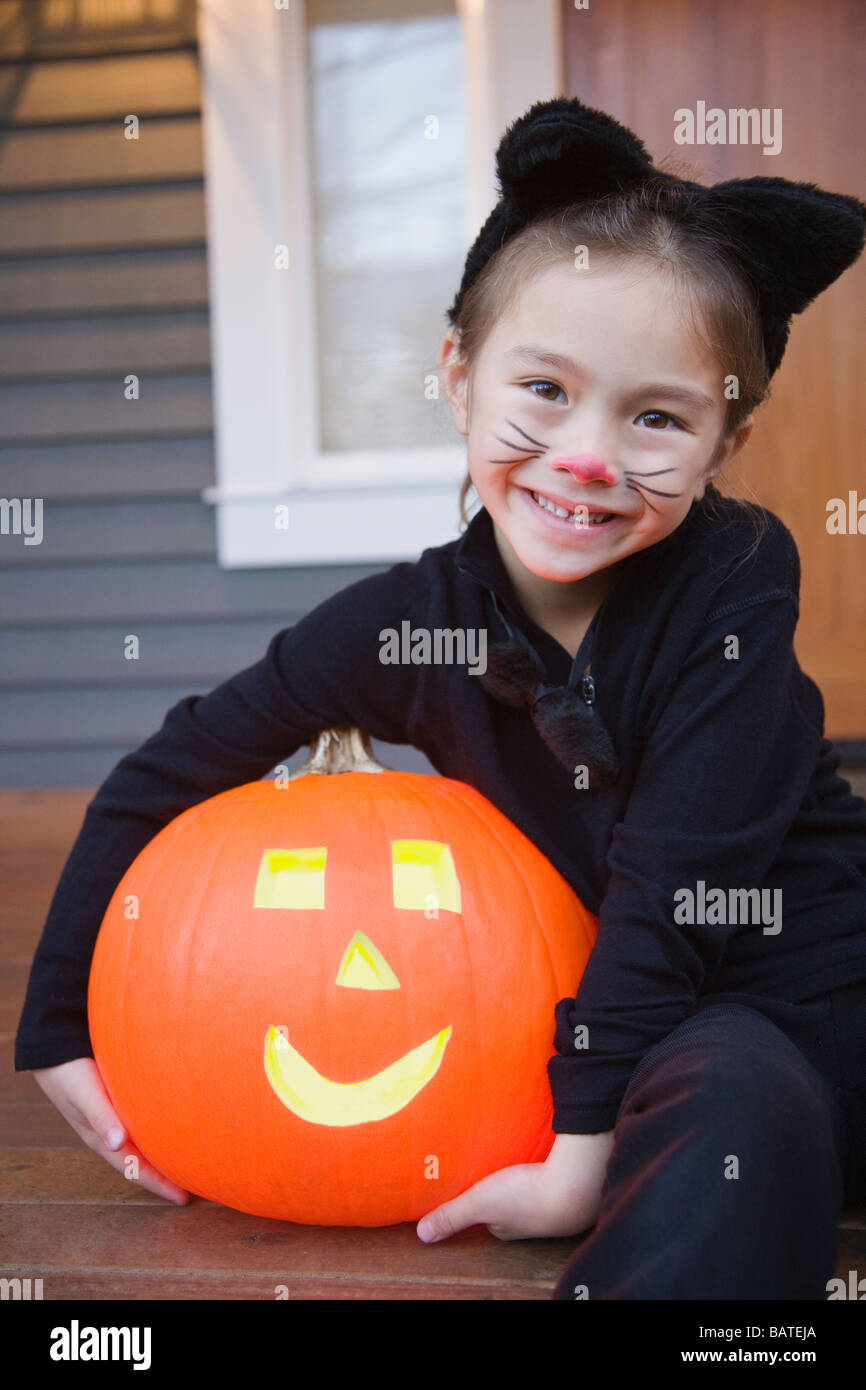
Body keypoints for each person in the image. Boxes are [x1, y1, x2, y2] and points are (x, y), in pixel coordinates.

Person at [15, 96, 866, 1300]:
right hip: (623, 1021)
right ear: (458, 377)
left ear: (724, 444)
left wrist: (575, 1167)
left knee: (724, 1108)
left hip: (790, 991)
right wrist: (56, 1025)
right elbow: (171, 766)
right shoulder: (407, 624)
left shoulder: (733, 582)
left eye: (656, 417)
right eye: (544, 391)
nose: (586, 457)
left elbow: (674, 888)